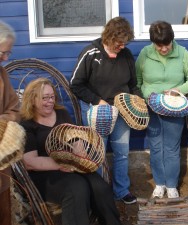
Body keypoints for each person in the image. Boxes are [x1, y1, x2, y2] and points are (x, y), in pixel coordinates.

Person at [20, 78, 122, 225]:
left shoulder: (61, 113)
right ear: (32, 99)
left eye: (52, 96)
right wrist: (60, 165)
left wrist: (79, 150)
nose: (50, 101)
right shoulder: (26, 124)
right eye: (44, 98)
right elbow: (29, 162)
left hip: (70, 164)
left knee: (100, 187)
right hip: (44, 174)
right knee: (76, 189)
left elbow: (75, 137)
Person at [69, 17, 140, 204]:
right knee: (97, 153)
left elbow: (132, 84)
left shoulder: (126, 55)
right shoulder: (91, 53)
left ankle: (121, 190)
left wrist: (137, 99)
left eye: (125, 43)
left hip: (121, 111)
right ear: (108, 37)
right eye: (119, 43)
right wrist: (97, 100)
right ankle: (101, 192)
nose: (122, 46)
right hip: (97, 110)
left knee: (122, 153)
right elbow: (75, 84)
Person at [135, 21, 188, 198]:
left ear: (172, 39)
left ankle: (171, 185)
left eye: (167, 44)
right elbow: (138, 81)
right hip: (152, 106)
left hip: (174, 108)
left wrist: (178, 91)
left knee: (171, 148)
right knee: (156, 147)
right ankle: (159, 183)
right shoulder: (145, 54)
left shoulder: (182, 53)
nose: (164, 49)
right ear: (153, 42)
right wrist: (147, 95)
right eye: (159, 45)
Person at [0, 20, 21, 225]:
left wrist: (3, 121)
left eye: (8, 54)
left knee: (4, 211)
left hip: (1, 157)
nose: (5, 59)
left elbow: (14, 109)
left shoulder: (2, 74)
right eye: (2, 53)